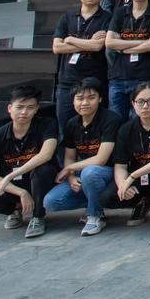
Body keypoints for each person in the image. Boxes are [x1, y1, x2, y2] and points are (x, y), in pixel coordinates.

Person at [91, 83, 150, 236]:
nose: (145, 106)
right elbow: (120, 166)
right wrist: (123, 185)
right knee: (108, 198)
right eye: (140, 102)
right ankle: (143, 202)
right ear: (133, 104)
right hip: (141, 180)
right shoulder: (125, 129)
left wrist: (132, 176)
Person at [0, 86, 59, 238]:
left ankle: (38, 217)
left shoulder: (47, 125)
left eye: (30, 108)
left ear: (36, 109)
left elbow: (45, 155)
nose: (24, 112)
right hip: (14, 186)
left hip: (41, 182)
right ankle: (14, 209)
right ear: (9, 108)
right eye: (19, 107)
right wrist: (21, 192)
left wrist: (9, 176)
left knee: (43, 170)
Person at [42, 79, 120, 236]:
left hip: (108, 173)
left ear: (100, 99)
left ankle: (95, 215)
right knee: (51, 202)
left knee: (90, 172)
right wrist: (71, 177)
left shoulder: (110, 119)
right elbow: (70, 156)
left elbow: (101, 159)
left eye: (91, 98)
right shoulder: (72, 123)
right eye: (79, 98)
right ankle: (93, 201)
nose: (84, 103)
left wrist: (69, 169)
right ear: (73, 100)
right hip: (83, 174)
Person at [52, 0, 111, 129]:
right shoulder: (67, 17)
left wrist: (71, 39)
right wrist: (89, 43)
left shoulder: (107, 18)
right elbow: (57, 47)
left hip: (95, 82)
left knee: (94, 128)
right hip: (67, 82)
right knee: (65, 128)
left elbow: (98, 46)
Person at [105, 0, 150, 119]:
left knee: (139, 121)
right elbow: (109, 42)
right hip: (118, 77)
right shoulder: (120, 12)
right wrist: (142, 41)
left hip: (144, 77)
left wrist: (122, 47)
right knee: (115, 121)